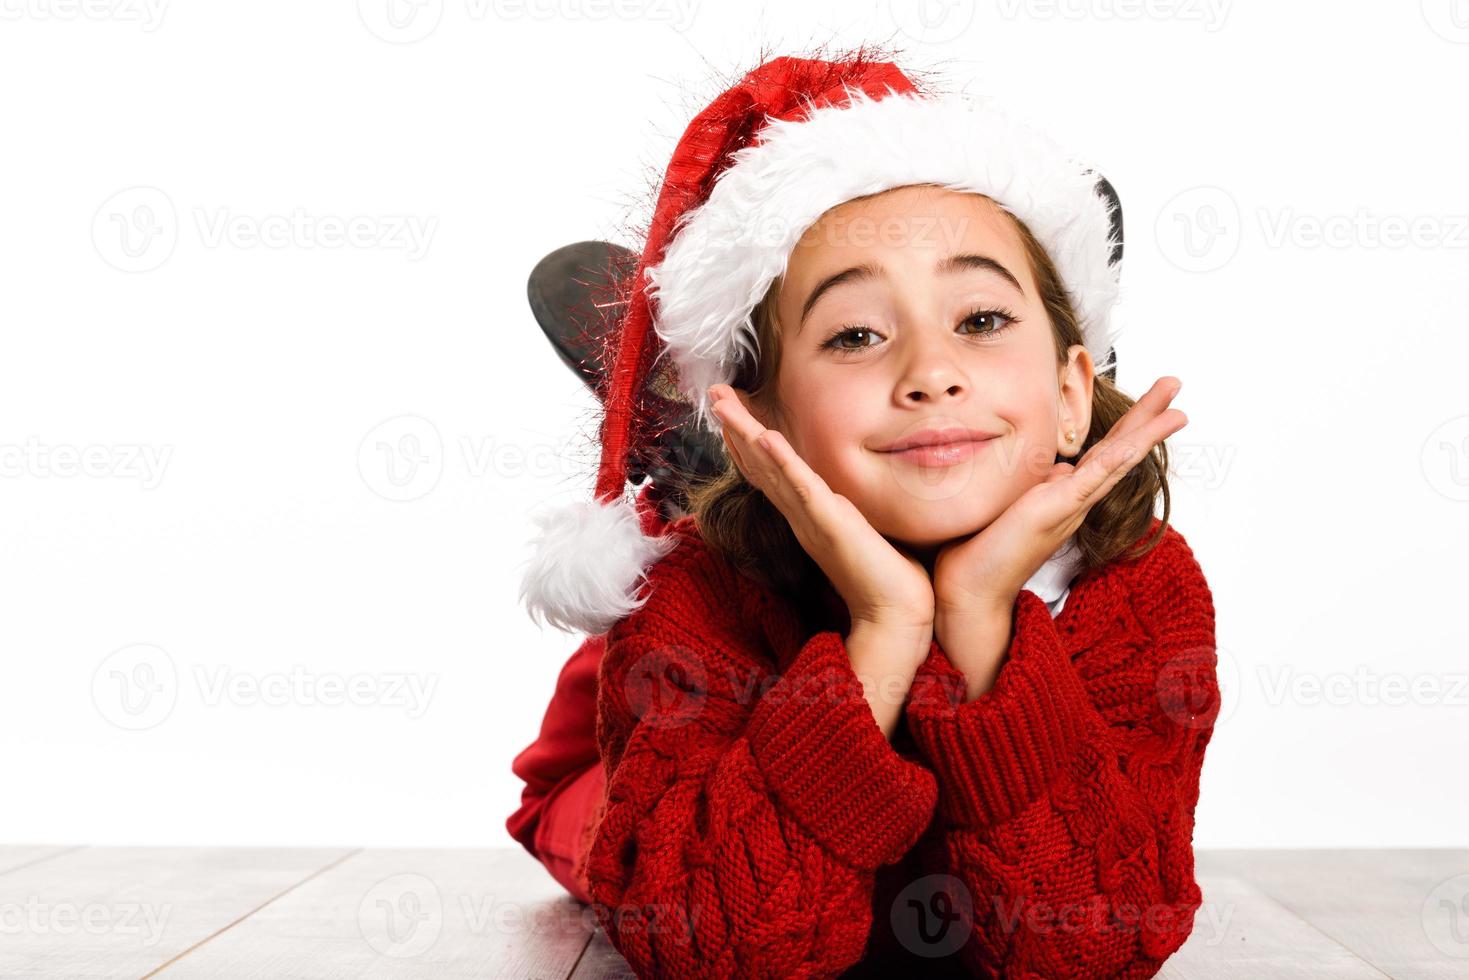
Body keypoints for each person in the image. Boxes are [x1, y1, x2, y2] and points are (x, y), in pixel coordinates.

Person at [509, 45, 1220, 978]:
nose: (930, 374)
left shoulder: (1140, 590)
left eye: (980, 320)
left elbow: (1095, 946)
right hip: (695, 694)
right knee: (619, 769)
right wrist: (884, 630)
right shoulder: (693, 605)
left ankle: (735, 465)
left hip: (889, 777)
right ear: (764, 417)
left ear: (1074, 394)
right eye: (855, 335)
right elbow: (723, 949)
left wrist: (976, 620)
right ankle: (708, 474)